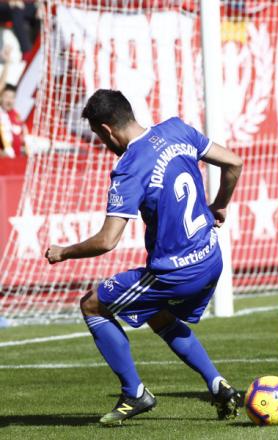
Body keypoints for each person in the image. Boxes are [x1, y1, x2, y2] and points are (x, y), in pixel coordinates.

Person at [44, 89, 244, 426]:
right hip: (211, 256)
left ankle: (134, 392)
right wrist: (220, 203)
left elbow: (108, 241)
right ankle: (218, 385)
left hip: (177, 271)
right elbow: (234, 162)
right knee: (156, 313)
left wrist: (63, 252)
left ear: (106, 130)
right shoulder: (177, 129)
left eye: (97, 135)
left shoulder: (129, 167)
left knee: (92, 304)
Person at [0, 84, 29, 157]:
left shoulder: (17, 116)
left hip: (16, 161)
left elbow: (24, 136)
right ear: (1, 97)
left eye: (12, 97)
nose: (9, 100)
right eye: (6, 96)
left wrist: (26, 148)